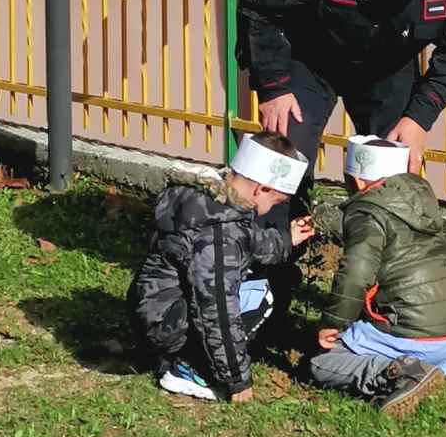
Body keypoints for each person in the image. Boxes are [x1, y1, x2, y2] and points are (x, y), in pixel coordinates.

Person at [237, 0, 446, 323]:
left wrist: (420, 114)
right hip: (308, 58)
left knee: (392, 177)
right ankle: (260, 291)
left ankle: (381, 303)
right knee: (280, 162)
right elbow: (259, 6)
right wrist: (274, 85)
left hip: (389, 69)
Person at [128, 131, 314, 403]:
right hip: (168, 326)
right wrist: (238, 380)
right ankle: (189, 369)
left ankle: (178, 354)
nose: (272, 208)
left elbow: (249, 241)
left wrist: (286, 239)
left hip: (154, 309)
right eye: (276, 201)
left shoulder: (206, 200)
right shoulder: (221, 233)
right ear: (261, 189)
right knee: (260, 297)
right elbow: (217, 309)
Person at [310, 136, 446, 416]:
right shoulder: (422, 200)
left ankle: (400, 373)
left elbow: (356, 272)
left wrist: (333, 322)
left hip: (415, 335)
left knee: (322, 363)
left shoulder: (366, 210)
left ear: (359, 181)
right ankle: (427, 365)